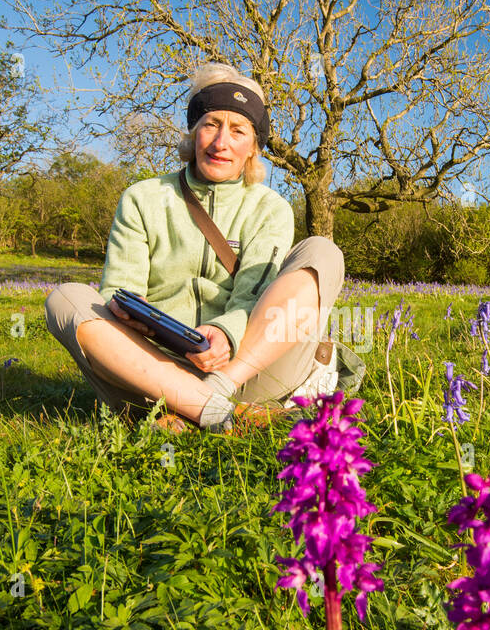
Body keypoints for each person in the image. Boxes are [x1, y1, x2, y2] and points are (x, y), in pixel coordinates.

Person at [44, 63, 359, 432]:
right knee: (64, 300)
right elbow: (117, 288)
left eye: (238, 130)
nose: (220, 142)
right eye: (211, 124)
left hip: (246, 371)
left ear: (254, 147)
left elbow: (251, 297)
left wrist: (225, 334)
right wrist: (131, 313)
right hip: (153, 371)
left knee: (323, 253)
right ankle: (215, 412)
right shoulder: (141, 199)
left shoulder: (270, 208)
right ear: (194, 132)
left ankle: (205, 403)